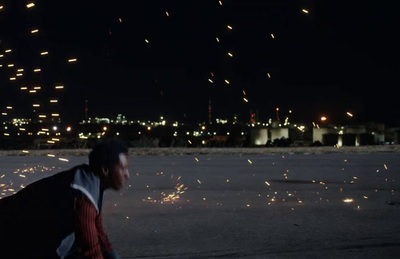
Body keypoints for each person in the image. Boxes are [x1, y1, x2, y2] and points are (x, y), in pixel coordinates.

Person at [0, 139, 130, 259]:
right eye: (123, 169)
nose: (127, 175)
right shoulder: (82, 194)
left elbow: (99, 232)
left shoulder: (93, 184)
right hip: (10, 231)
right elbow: (91, 249)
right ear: (106, 169)